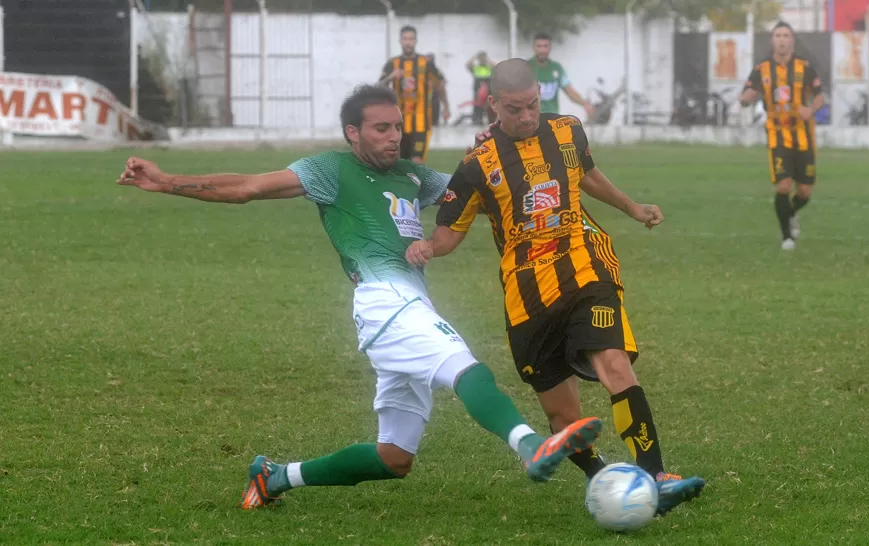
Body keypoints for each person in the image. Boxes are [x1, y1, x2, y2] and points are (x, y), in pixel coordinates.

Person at [116, 84, 603, 510]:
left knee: (395, 458)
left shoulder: (414, 176)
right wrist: (165, 182)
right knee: (464, 365)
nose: (393, 137)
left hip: (408, 306)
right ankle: (530, 445)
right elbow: (247, 187)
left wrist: (494, 146)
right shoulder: (331, 171)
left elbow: (483, 193)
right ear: (353, 133)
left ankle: (276, 475)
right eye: (380, 129)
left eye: (397, 127)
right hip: (382, 298)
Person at [405, 60, 705, 516]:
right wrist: (425, 247)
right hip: (526, 293)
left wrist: (632, 207)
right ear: (493, 105)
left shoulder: (568, 130)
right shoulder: (476, 165)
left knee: (614, 362)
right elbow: (448, 234)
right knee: (562, 417)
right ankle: (605, 480)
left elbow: (586, 174)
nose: (526, 116)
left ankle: (656, 474)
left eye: (532, 105)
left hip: (584, 266)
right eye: (514, 109)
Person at [739, 21, 825, 250]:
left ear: (792, 40)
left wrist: (810, 109)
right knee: (783, 186)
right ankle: (787, 237)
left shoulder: (804, 68)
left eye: (786, 35)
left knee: (805, 192)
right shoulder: (762, 69)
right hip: (778, 135)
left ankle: (789, 213)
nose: (782, 39)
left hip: (803, 135)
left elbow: (819, 96)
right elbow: (748, 92)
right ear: (772, 40)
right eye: (778, 35)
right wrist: (745, 99)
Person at [379, 26, 451, 164]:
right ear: (400, 41)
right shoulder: (392, 63)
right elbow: (379, 86)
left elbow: (440, 84)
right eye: (405, 39)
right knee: (399, 162)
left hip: (421, 121)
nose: (408, 42)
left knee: (417, 161)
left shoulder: (426, 63)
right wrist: (391, 77)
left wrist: (446, 107)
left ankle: (417, 185)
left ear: (415, 41)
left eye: (411, 39)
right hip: (398, 122)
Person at [528, 33, 595, 119]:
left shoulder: (557, 68)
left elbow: (569, 90)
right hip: (532, 119)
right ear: (534, 48)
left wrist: (585, 104)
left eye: (545, 46)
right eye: (539, 46)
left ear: (550, 47)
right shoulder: (526, 68)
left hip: (552, 119)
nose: (542, 50)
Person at [466, 51, 495, 125]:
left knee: (490, 105)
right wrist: (474, 57)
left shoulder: (489, 67)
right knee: (477, 105)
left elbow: (497, 66)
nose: (482, 60)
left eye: (483, 58)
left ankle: (491, 120)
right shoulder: (476, 67)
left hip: (488, 86)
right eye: (480, 58)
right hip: (478, 87)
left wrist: (487, 60)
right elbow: (467, 65)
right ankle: (477, 120)